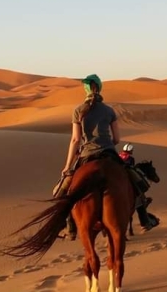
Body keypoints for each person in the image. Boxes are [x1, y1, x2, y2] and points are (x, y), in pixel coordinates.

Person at [58, 74, 157, 238]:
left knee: (64, 192)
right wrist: (106, 142)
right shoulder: (109, 111)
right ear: (100, 87)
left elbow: (75, 139)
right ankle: (144, 218)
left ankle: (69, 227)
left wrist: (67, 167)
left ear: (85, 89)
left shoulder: (78, 111)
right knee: (136, 182)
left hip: (86, 155)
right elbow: (117, 139)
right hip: (109, 152)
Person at [117, 143, 159, 232]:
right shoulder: (130, 158)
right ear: (130, 150)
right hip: (126, 173)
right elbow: (130, 167)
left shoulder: (118, 155)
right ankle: (145, 223)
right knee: (137, 184)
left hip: (116, 173)